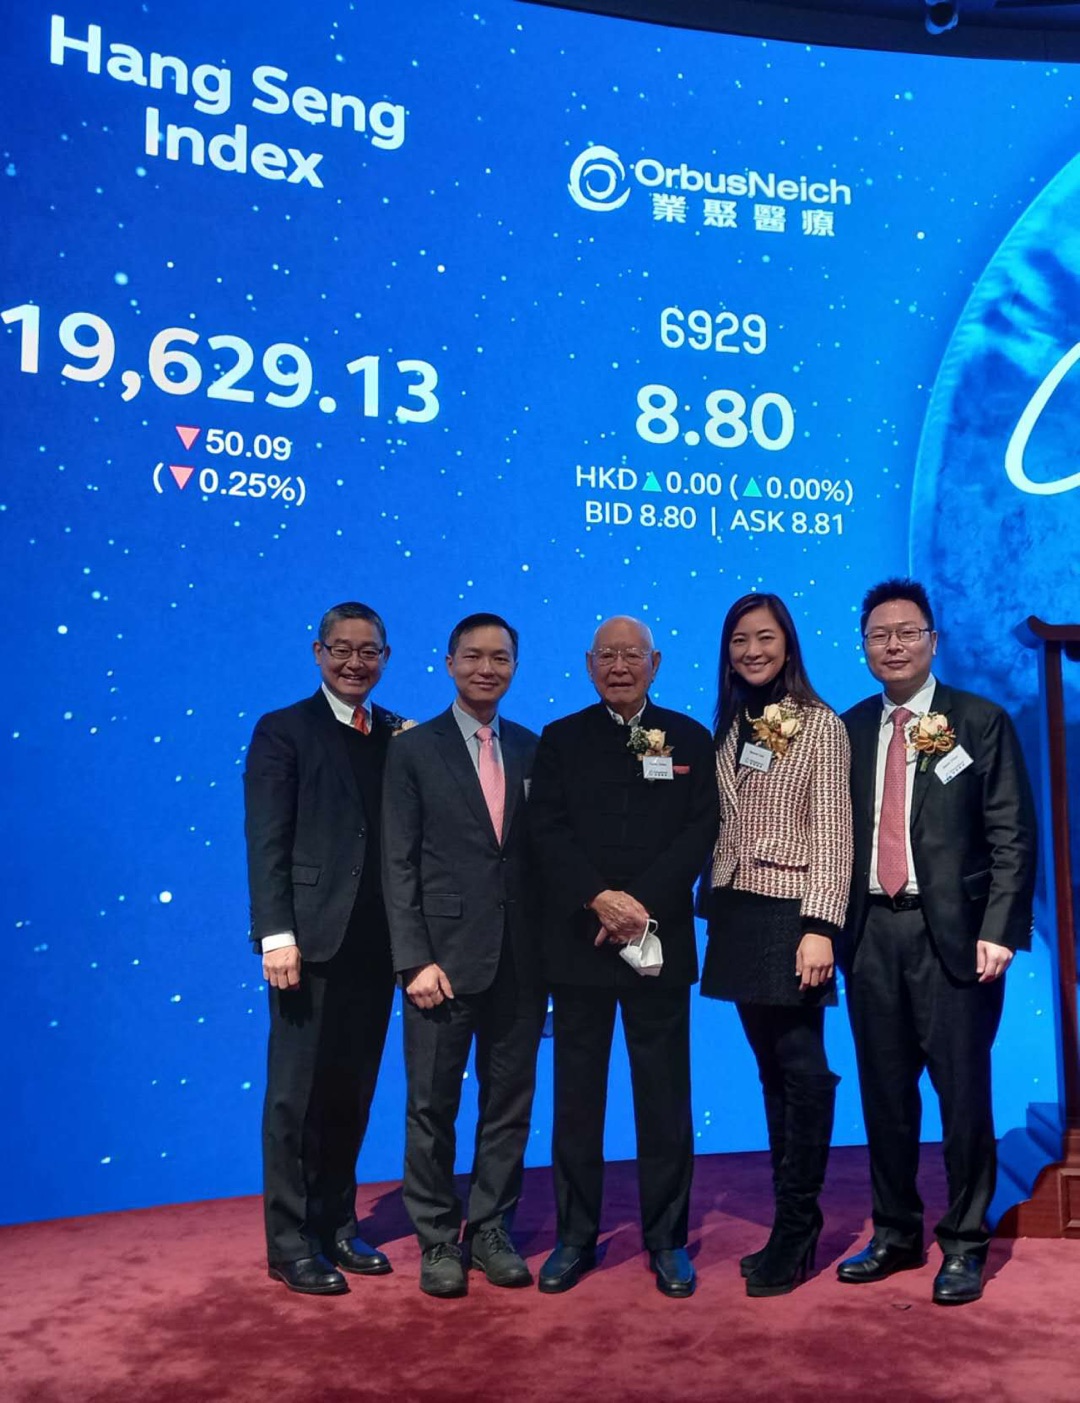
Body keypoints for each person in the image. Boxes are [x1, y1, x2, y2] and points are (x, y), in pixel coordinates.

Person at [836, 578, 1036, 1306]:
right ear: (863, 647)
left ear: (933, 641)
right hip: (869, 934)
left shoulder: (978, 721)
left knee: (963, 1096)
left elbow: (1013, 834)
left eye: (907, 632)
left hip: (954, 936)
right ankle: (894, 1233)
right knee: (884, 1096)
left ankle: (964, 1242)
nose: (893, 645)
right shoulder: (848, 729)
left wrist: (1000, 929)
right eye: (879, 634)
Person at [528, 616, 718, 1297]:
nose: (618, 666)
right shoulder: (560, 738)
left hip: (658, 942)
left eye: (631, 655)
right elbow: (545, 830)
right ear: (588, 664)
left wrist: (638, 904)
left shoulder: (689, 736)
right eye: (606, 655)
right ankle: (575, 1237)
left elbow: (701, 830)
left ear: (655, 663)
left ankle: (666, 1239)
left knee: (664, 1097)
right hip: (580, 942)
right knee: (577, 1099)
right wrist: (599, 899)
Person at [382, 613, 546, 1298]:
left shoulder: (533, 747)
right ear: (449, 663)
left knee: (509, 1104)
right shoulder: (414, 750)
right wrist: (412, 959)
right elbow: (397, 862)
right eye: (473, 656)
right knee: (432, 1106)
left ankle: (490, 1229)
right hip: (441, 963)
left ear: (515, 666)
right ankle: (436, 1237)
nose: (487, 668)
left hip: (522, 962)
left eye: (500, 657)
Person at [244, 601, 403, 1295]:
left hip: (378, 945)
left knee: (351, 1092)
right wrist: (276, 934)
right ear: (318, 652)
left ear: (385, 658)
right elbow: (266, 840)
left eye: (368, 651)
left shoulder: (397, 732)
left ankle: (337, 1223)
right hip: (306, 946)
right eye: (341, 648)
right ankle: (289, 1242)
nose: (354, 662)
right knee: (295, 1098)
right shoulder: (283, 730)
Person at [701, 593, 852, 1296]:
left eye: (764, 637)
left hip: (792, 915)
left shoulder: (818, 723)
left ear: (788, 644)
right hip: (737, 909)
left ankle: (798, 1225)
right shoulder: (732, 722)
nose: (752, 651)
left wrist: (821, 926)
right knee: (771, 1070)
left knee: (802, 1067)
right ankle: (789, 1221)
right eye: (739, 640)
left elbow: (834, 831)